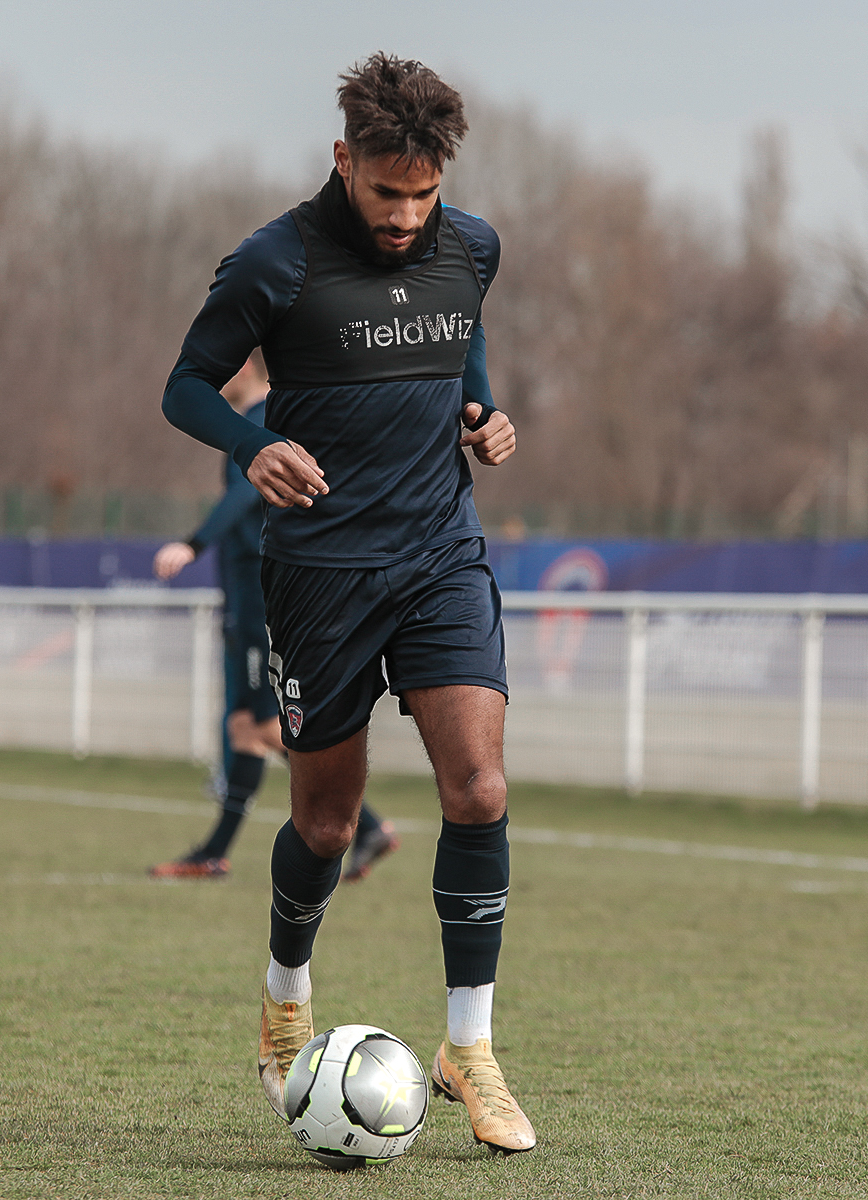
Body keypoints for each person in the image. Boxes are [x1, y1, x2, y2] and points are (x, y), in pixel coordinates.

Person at [160, 54, 533, 1153]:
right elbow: (185, 384)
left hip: (440, 556)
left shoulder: (473, 247)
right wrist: (252, 444)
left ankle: (471, 1047)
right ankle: (285, 996)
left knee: (478, 788)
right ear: (343, 161)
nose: (408, 216)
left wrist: (483, 416)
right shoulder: (274, 262)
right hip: (321, 573)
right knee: (325, 823)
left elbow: (462, 341)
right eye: (386, 192)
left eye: (425, 193)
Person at [149, 354, 400, 881]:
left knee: (265, 725)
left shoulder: (266, 417)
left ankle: (366, 823)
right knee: (244, 726)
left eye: (226, 363)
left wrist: (193, 544)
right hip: (244, 599)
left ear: (245, 367)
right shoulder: (251, 420)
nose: (216, 374)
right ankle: (214, 854)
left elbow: (246, 493)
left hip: (262, 599)